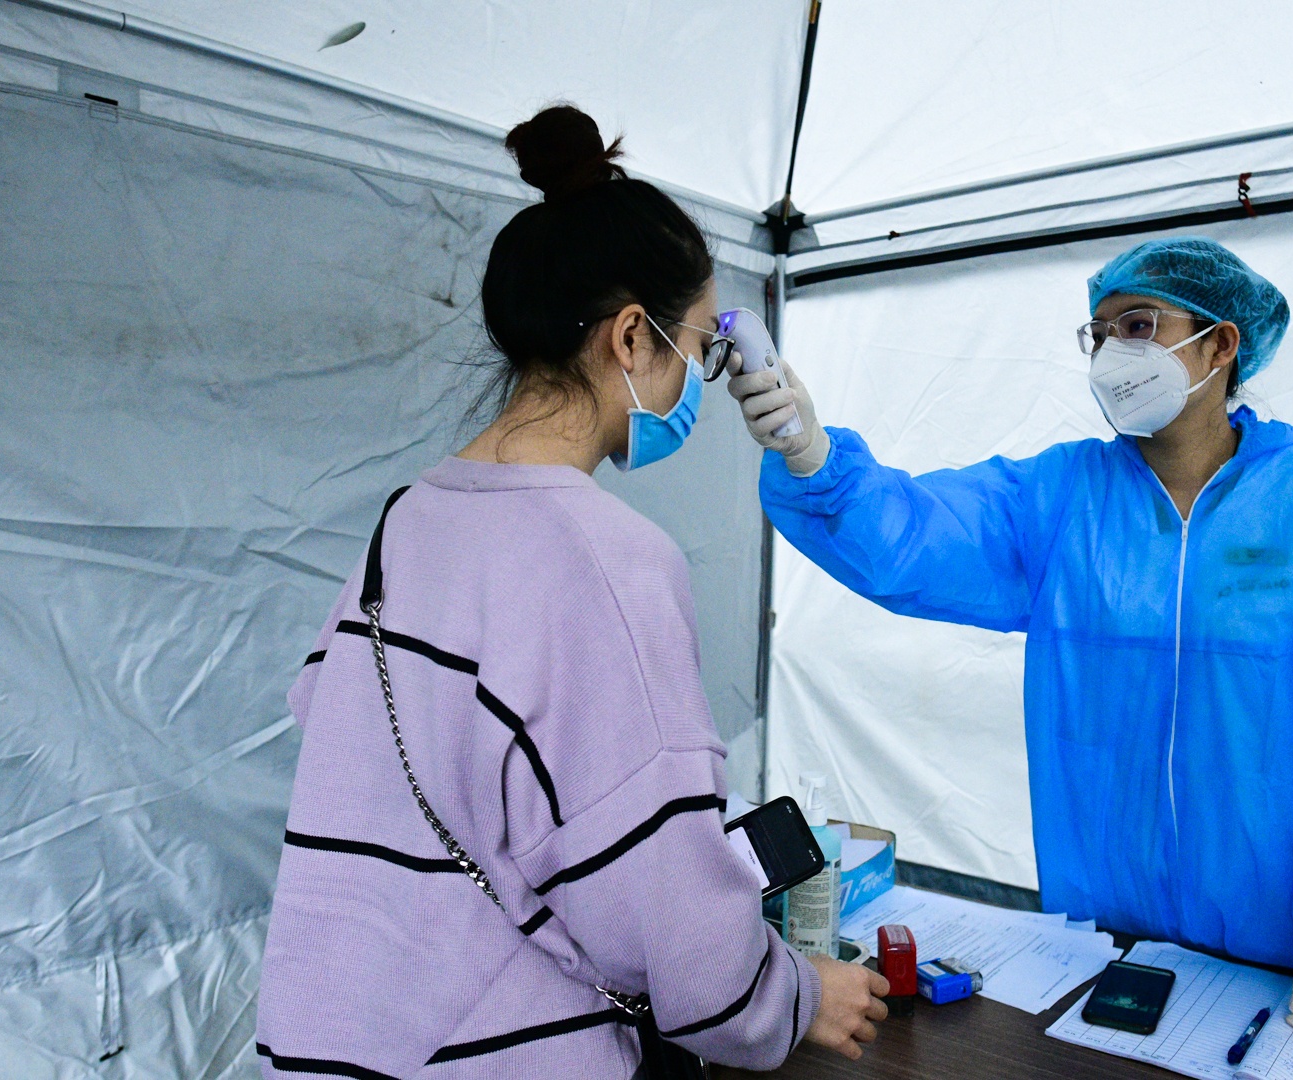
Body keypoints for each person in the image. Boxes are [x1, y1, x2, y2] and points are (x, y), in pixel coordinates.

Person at [256, 105, 888, 1080]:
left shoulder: (406, 522)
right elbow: (695, 958)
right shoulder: (607, 558)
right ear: (631, 337)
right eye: (698, 349)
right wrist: (799, 994)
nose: (698, 383)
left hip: (338, 1047)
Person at [728, 237, 1293, 1042]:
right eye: (1100, 333)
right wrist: (814, 459)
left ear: (1221, 344)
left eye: (1140, 325)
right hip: (1112, 956)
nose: (1114, 353)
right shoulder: (1061, 499)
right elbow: (916, 537)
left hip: (1289, 963)